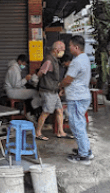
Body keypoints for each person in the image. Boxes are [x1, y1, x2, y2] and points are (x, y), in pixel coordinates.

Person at [59, 35, 93, 165]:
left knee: (77, 125)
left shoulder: (77, 61)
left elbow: (68, 79)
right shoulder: (84, 59)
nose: (69, 48)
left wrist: (60, 85)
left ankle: (83, 155)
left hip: (77, 97)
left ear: (76, 47)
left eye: (70, 46)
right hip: (81, 95)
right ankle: (85, 149)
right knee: (80, 124)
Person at [35, 41, 73, 141]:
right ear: (56, 50)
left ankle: (61, 132)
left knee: (59, 110)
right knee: (46, 112)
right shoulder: (49, 61)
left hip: (53, 91)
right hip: (47, 90)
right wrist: (41, 80)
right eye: (62, 50)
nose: (63, 52)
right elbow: (41, 72)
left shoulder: (54, 60)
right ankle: (37, 132)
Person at [4, 54, 40, 120]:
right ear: (20, 61)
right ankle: (31, 113)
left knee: (29, 91)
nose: (25, 66)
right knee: (34, 93)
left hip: (13, 90)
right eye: (24, 63)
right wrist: (26, 79)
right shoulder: (14, 69)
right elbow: (17, 85)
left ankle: (26, 111)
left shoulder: (15, 68)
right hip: (12, 92)